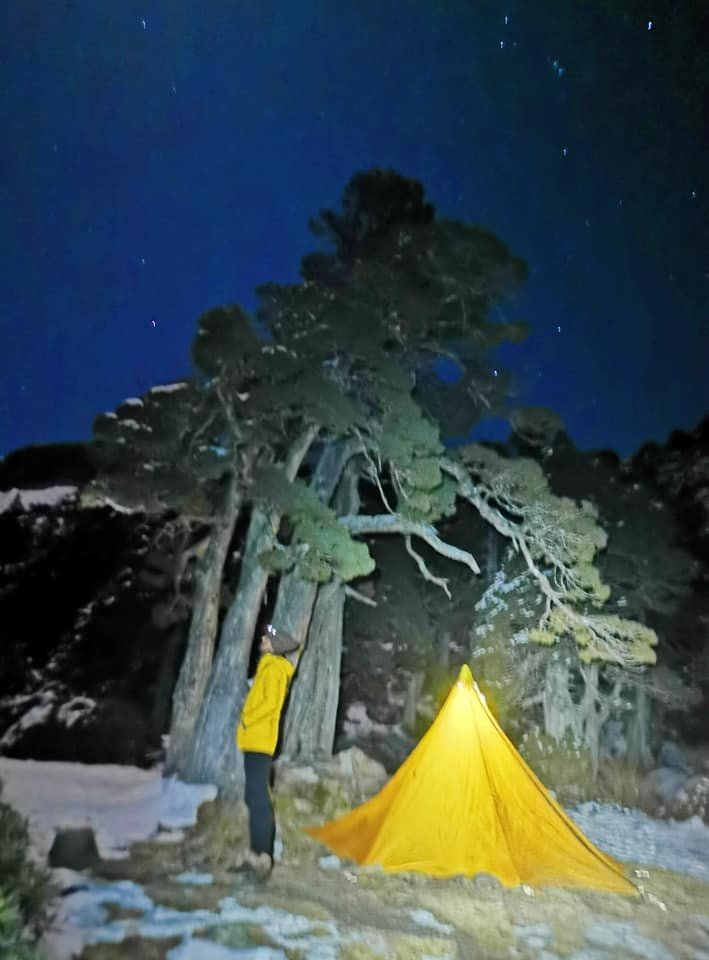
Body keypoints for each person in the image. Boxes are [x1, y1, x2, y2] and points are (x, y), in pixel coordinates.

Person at [236, 622, 301, 879]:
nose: (262, 640)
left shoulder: (274, 669)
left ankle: (263, 858)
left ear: (273, 645)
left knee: (259, 799)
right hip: (255, 739)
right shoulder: (268, 667)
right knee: (254, 797)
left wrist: (247, 718)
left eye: (265, 638)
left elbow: (270, 704)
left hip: (260, 739)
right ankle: (256, 854)